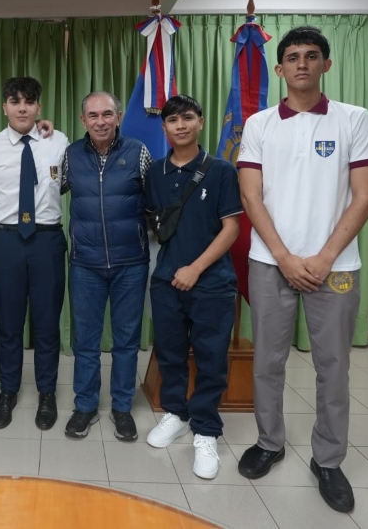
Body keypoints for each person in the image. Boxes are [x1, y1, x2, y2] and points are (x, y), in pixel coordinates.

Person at [236, 26, 368, 513]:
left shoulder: (353, 119)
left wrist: (323, 258)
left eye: (312, 55)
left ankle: (329, 459)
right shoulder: (259, 124)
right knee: (267, 362)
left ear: (326, 65)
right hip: (270, 263)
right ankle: (269, 442)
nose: (302, 63)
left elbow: (366, 196)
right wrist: (283, 256)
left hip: (335, 266)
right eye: (293, 57)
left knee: (333, 366)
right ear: (279, 69)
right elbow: (250, 196)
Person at [143, 95, 241, 479]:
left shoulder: (221, 171)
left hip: (211, 283)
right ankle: (176, 413)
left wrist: (196, 268)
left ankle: (205, 429)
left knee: (210, 358)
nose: (180, 125)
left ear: (200, 121)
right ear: (164, 127)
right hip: (166, 281)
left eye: (187, 118)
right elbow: (155, 224)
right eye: (172, 120)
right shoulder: (155, 171)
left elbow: (231, 228)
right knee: (169, 353)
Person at [61, 91, 153, 441]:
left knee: (126, 341)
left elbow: (155, 198)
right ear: (83, 120)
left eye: (107, 114)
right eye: (93, 115)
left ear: (118, 117)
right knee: (85, 341)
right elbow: (48, 190)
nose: (100, 121)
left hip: (131, 263)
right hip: (85, 264)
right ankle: (85, 406)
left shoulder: (138, 152)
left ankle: (122, 407)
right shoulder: (70, 155)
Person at [0, 77, 70, 431]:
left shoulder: (58, 141)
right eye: (15, 101)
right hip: (6, 241)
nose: (22, 108)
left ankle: (47, 393)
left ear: (38, 107)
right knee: (9, 323)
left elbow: (67, 183)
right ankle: (8, 391)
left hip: (47, 240)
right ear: (4, 107)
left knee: (47, 323)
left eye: (29, 102)